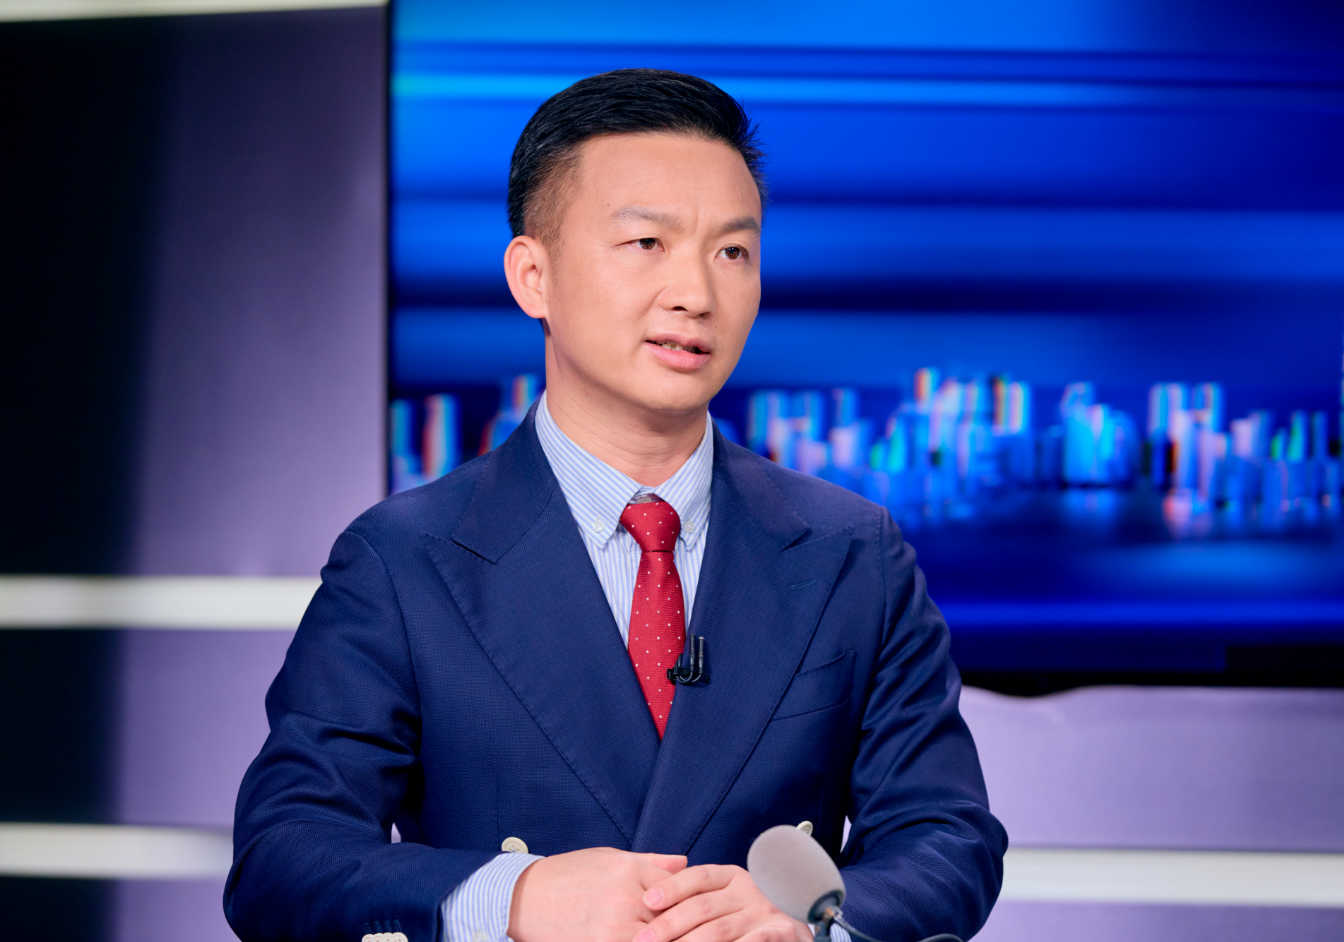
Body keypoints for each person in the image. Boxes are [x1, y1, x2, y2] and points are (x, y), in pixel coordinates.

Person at [225, 69, 1006, 942]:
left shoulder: (851, 550)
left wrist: (811, 923)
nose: (695, 293)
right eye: (646, 243)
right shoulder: (403, 559)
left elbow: (947, 837)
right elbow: (283, 859)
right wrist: (515, 898)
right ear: (533, 276)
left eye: (732, 252)